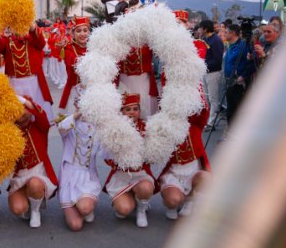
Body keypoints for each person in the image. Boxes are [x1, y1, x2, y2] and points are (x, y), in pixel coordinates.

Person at [103, 94, 155, 227]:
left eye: (135, 109)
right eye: (128, 109)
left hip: (140, 174)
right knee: (123, 211)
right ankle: (129, 199)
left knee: (145, 188)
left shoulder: (147, 127)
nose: (132, 112)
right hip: (121, 175)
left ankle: (141, 209)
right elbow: (106, 156)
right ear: (121, 112)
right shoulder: (114, 128)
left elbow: (153, 155)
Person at [158, 89, 211, 219]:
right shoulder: (165, 127)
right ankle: (172, 204)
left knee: (207, 178)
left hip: (192, 174)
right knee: (173, 200)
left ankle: (190, 199)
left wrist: (194, 88)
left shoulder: (195, 126)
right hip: (173, 175)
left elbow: (203, 109)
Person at [8, 96, 58, 228]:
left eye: (25, 113)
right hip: (20, 176)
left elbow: (42, 115)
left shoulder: (40, 128)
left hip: (38, 174)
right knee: (18, 209)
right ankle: (30, 200)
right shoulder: (10, 133)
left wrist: (25, 102)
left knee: (34, 184)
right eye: (19, 113)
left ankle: (36, 211)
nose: (23, 116)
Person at [0, 23, 55, 122]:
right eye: (14, 25)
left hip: (33, 83)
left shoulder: (33, 40)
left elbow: (41, 43)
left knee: (36, 117)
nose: (18, 27)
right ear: (10, 28)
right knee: (17, 117)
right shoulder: (6, 41)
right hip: (14, 84)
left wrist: (33, 29)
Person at [57, 97, 103, 231]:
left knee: (85, 209)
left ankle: (85, 206)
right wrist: (78, 113)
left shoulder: (99, 127)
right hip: (69, 176)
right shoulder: (68, 121)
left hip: (88, 175)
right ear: (75, 104)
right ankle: (74, 205)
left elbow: (105, 153)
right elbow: (61, 128)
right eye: (80, 103)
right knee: (75, 226)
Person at [223, 24, 254, 128]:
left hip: (238, 82)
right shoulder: (229, 45)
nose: (224, 34)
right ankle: (230, 132)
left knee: (238, 109)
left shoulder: (243, 46)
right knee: (230, 109)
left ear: (232, 33)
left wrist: (243, 76)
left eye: (226, 32)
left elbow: (250, 63)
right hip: (228, 81)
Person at [117, 43, 158, 120]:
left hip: (143, 80)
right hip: (124, 81)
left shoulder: (148, 37)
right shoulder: (116, 38)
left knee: (144, 105)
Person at [59, 16, 89, 114]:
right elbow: (75, 66)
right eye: (78, 31)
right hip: (74, 91)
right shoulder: (68, 48)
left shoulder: (94, 47)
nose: (82, 34)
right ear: (73, 33)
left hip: (92, 91)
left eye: (85, 30)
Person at [201, 20, 224, 129]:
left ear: (205, 29)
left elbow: (218, 59)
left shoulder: (216, 40)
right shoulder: (205, 39)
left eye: (201, 28)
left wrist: (204, 64)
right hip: (205, 72)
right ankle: (207, 119)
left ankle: (212, 122)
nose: (200, 30)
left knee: (213, 98)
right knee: (206, 98)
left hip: (213, 73)